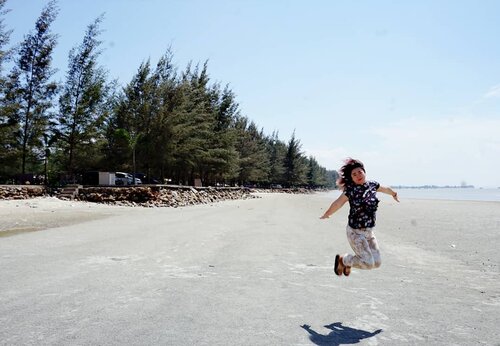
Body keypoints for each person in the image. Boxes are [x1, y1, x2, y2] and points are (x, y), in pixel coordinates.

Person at [320, 158, 399, 276]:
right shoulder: (350, 190)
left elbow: (384, 189)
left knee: (377, 263)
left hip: (369, 232)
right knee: (368, 263)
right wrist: (327, 213)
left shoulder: (372, 185)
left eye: (360, 172)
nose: (358, 175)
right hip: (355, 232)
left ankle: (348, 263)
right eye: (354, 174)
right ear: (351, 178)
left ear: (364, 172)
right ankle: (343, 260)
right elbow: (338, 203)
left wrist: (393, 193)